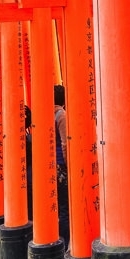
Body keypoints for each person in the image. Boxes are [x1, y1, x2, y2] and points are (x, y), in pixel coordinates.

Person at [53, 85, 70, 245]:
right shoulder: (61, 115)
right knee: (65, 207)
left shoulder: (46, 113)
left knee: (56, 205)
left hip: (49, 164)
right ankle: (64, 241)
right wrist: (67, 164)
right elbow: (65, 143)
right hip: (60, 165)